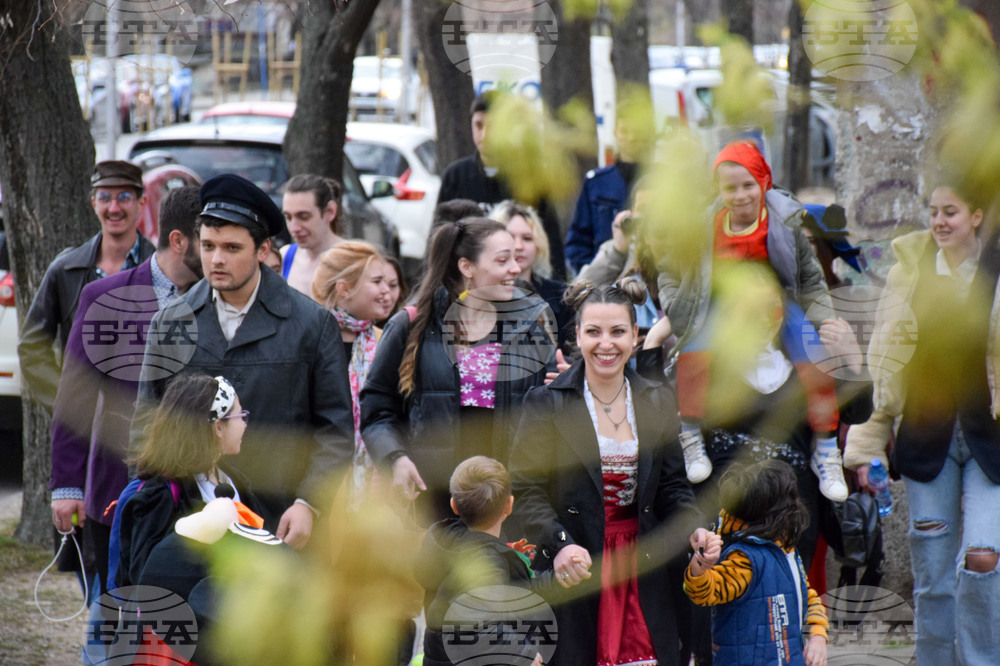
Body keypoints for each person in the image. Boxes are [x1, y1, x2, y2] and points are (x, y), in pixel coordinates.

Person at [132, 173, 355, 550]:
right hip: (190, 524)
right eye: (208, 246)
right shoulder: (171, 322)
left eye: (232, 248)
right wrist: (152, 504)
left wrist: (309, 504)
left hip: (282, 521)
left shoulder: (312, 326)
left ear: (264, 250)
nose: (216, 259)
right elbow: (146, 423)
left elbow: (335, 432)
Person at [844, 183, 1000, 666]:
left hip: (990, 441)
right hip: (926, 440)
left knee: (983, 556)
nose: (938, 221)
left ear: (976, 216)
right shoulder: (908, 276)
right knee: (932, 572)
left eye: (950, 211)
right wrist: (870, 444)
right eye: (932, 212)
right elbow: (885, 366)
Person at [509, 278, 702, 666]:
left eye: (617, 332)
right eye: (593, 332)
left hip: (646, 563)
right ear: (577, 336)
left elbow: (673, 486)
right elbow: (525, 490)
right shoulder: (545, 403)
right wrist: (560, 544)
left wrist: (692, 526)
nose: (606, 344)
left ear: (635, 336)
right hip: (579, 562)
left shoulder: (656, 399)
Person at [657, 142, 846, 500]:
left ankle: (825, 448)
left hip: (774, 305)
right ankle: (691, 433)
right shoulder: (704, 225)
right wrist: (677, 308)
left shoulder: (784, 221)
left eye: (748, 185)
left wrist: (825, 320)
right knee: (694, 353)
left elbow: (810, 276)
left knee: (814, 355)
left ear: (764, 183)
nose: (740, 195)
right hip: (722, 304)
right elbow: (669, 269)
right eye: (730, 188)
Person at [49, 185, 203, 598]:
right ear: (179, 241)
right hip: (117, 488)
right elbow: (76, 397)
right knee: (116, 614)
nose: (218, 255)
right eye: (209, 240)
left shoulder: (217, 301)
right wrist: (67, 486)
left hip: (199, 497)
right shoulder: (105, 297)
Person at [361, 218, 556, 525]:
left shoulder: (529, 327)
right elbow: (376, 408)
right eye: (503, 260)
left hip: (505, 502)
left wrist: (565, 385)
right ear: (467, 267)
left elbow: (547, 414)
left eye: (516, 260)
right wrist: (395, 458)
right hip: (431, 504)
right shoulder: (412, 326)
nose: (516, 269)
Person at [18, 160, 155, 412]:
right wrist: (65, 404)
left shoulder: (162, 272)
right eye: (105, 198)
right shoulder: (66, 270)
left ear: (141, 203)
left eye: (124, 197)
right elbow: (31, 347)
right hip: (82, 432)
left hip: (142, 432)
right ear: (94, 204)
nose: (114, 208)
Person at [414, 456, 570, 666]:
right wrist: (524, 653)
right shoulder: (484, 559)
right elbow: (480, 624)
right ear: (509, 505)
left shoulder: (447, 541)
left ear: (454, 505)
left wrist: (558, 578)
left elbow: (511, 590)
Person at [117, 373, 261, 589]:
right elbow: (145, 574)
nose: (244, 424)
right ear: (218, 427)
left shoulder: (233, 481)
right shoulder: (160, 494)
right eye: (240, 416)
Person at [686, 459, 829, 666]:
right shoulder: (743, 558)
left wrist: (817, 636)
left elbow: (808, 598)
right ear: (776, 513)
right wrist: (699, 568)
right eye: (791, 500)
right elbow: (706, 592)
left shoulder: (786, 549)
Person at [437, 91, 566, 279]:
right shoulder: (456, 176)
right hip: (466, 285)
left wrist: (557, 295)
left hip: (523, 284)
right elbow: (439, 240)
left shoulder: (529, 178)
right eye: (479, 125)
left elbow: (551, 243)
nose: (485, 135)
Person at [311, 241, 394, 507]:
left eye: (389, 283)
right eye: (377, 281)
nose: (387, 291)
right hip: (322, 486)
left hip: (378, 489)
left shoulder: (387, 342)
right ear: (344, 289)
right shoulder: (311, 340)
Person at [565, 98, 653, 273]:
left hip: (652, 279)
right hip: (606, 277)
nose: (631, 137)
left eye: (637, 131)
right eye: (625, 131)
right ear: (615, 133)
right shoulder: (596, 183)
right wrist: (593, 275)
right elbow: (577, 242)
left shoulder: (664, 180)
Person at [490, 199, 572, 352]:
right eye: (510, 237)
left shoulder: (562, 296)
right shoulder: (480, 295)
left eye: (527, 238)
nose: (519, 246)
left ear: (539, 245)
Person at [280, 174, 345, 296]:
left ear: (330, 211)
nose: (294, 228)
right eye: (288, 217)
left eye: (304, 217)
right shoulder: (285, 257)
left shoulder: (356, 259)